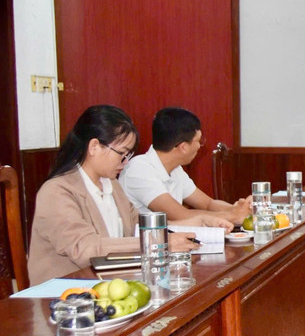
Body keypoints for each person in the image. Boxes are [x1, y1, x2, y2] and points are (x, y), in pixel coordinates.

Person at [28, 105, 233, 285]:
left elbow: (138, 226)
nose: (125, 162)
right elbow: (86, 249)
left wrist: (200, 223)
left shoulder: (111, 185)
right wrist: (161, 244)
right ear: (94, 147)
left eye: (129, 155)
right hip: (66, 298)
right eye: (122, 154)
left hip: (111, 285)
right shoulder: (57, 191)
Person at [119, 107, 251, 224]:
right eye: (199, 141)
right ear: (183, 147)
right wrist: (233, 216)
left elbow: (207, 203)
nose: (200, 146)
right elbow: (181, 216)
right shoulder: (139, 170)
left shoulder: (175, 168)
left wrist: (237, 208)